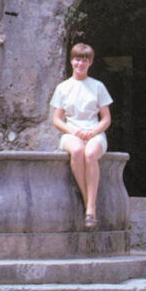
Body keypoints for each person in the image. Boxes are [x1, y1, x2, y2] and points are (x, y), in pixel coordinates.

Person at [49, 43, 112, 229]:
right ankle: (89, 206)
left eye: (84, 60)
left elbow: (106, 118)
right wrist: (73, 131)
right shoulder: (63, 87)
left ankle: (90, 207)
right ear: (71, 61)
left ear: (90, 63)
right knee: (77, 150)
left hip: (93, 132)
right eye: (77, 59)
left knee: (90, 154)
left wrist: (94, 131)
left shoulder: (98, 86)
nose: (80, 63)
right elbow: (57, 119)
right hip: (72, 132)